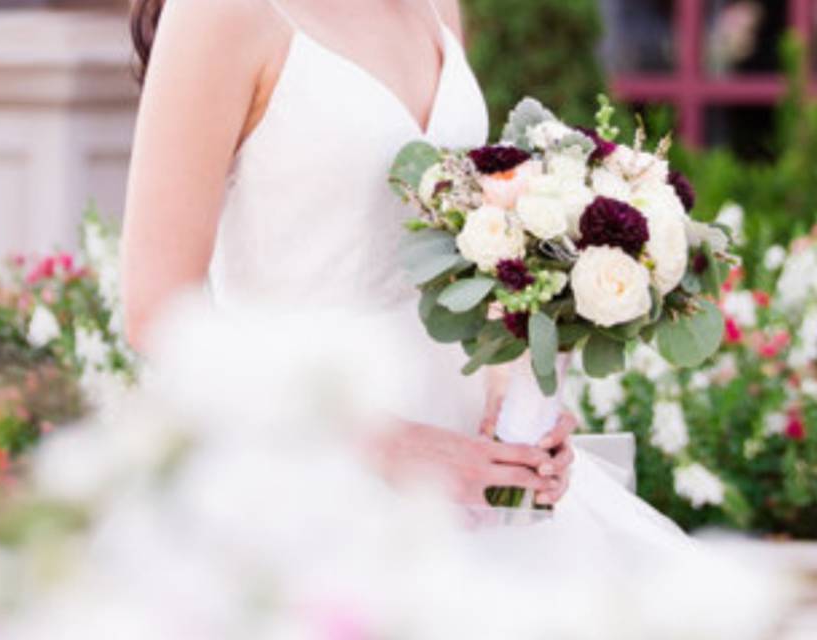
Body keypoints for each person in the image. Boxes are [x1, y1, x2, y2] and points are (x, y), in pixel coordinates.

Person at [121, 0, 688, 549]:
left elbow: (450, 246)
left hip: (467, 458)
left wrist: (513, 404)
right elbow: (157, 314)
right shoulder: (219, 12)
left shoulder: (435, 6)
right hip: (303, 461)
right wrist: (400, 450)